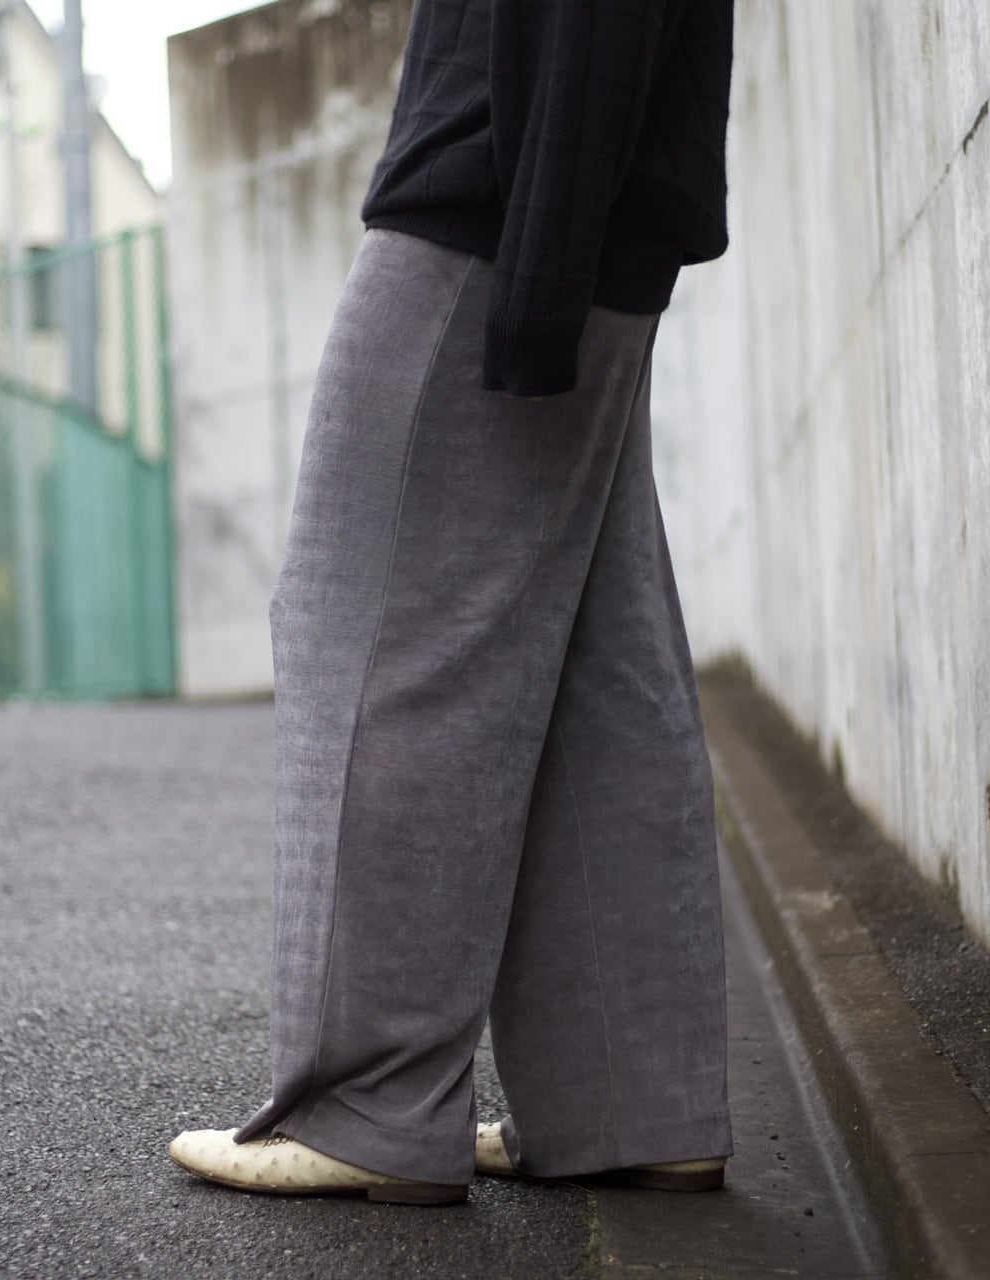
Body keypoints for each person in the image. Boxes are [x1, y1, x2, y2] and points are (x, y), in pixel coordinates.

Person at [169, 0, 736, 1206]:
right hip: (578, 213)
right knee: (597, 659)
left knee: (372, 629)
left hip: (502, 213)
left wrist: (541, 259)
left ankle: (367, 1106)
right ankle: (637, 1102)